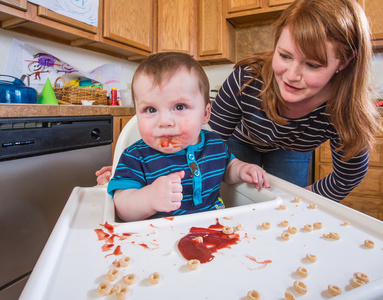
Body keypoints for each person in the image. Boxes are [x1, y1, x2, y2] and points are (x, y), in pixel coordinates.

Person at [208, 0, 380, 202]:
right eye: (284, 56)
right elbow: (208, 144)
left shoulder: (344, 109)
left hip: (291, 149)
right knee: (236, 198)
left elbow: (347, 176)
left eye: (312, 65)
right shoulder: (246, 80)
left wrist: (302, 201)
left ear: (344, 61)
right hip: (242, 139)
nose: (291, 75)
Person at [107, 52, 269, 221]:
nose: (164, 122)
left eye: (179, 106)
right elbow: (121, 207)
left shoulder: (215, 144)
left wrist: (241, 169)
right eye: (150, 109)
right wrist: (148, 199)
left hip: (216, 230)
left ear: (205, 114)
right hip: (159, 239)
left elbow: (227, 168)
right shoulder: (134, 157)